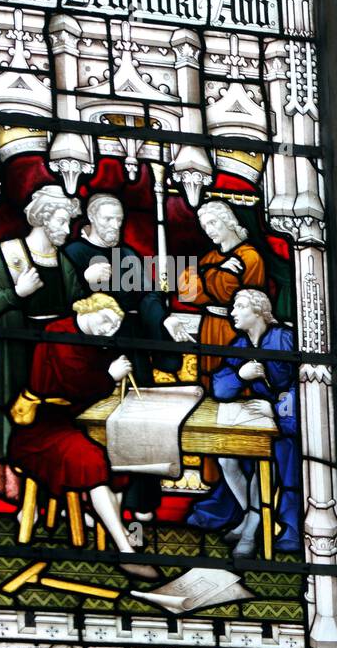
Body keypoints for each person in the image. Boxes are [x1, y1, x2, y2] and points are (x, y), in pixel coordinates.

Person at [7, 293, 159, 580]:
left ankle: (114, 528)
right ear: (88, 308)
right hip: (41, 431)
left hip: (71, 424)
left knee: (118, 455)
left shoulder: (92, 339)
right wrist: (110, 376)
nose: (109, 330)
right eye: (106, 321)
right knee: (92, 461)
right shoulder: (58, 334)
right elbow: (75, 384)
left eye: (115, 327)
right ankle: (125, 550)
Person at [64, 193, 179, 521]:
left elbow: (147, 296)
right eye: (108, 219)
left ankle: (140, 499)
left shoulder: (126, 255)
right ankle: (92, 500)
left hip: (132, 344)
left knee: (141, 421)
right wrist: (85, 283)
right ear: (91, 218)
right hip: (92, 348)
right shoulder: (72, 254)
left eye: (119, 219)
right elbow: (60, 300)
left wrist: (164, 320)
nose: (115, 225)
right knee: (96, 422)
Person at [0, 185, 86, 470]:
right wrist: (17, 293)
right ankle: (6, 471)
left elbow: (78, 306)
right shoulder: (10, 253)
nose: (67, 230)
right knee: (13, 409)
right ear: (43, 218)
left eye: (69, 222)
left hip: (52, 356)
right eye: (62, 221)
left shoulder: (63, 263)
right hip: (17, 350)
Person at [199, 288, 301, 559]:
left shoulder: (284, 339)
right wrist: (240, 377)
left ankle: (258, 531)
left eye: (239, 306)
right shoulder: (241, 345)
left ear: (258, 311)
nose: (232, 312)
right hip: (258, 420)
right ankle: (250, 516)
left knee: (270, 464)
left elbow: (304, 382)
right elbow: (220, 388)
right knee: (226, 459)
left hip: (290, 424)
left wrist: (276, 409)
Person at [177, 201, 267, 383]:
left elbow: (230, 295)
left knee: (234, 376)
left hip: (236, 328)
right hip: (210, 325)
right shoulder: (210, 258)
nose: (209, 230)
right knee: (207, 376)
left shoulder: (250, 257)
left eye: (212, 222)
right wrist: (216, 271)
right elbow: (186, 291)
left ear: (228, 221)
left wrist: (206, 276)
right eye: (205, 226)